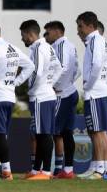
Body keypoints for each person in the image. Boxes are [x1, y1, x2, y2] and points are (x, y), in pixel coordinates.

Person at [0, 21, 34, 180]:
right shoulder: (13, 48)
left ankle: (7, 171)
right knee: (1, 134)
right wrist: (15, 82)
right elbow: (30, 66)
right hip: (10, 97)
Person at [20, 19, 62, 180]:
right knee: (41, 133)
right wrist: (50, 83)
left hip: (40, 97)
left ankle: (44, 171)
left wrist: (33, 89)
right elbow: (58, 67)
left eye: (23, 35)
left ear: (30, 34)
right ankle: (36, 169)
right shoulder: (48, 47)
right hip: (48, 95)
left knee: (43, 134)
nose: (22, 39)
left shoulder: (37, 48)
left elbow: (36, 72)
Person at [76, 15, 107, 180]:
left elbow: (97, 64)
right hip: (102, 91)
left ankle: (99, 170)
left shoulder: (94, 40)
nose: (79, 30)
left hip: (96, 93)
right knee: (101, 132)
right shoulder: (101, 40)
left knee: (98, 132)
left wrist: (89, 84)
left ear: (91, 26)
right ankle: (105, 170)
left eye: (80, 26)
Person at [43, 21, 80, 178]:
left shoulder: (59, 46)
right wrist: (68, 83)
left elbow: (63, 67)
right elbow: (77, 69)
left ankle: (45, 171)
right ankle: (67, 170)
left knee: (48, 131)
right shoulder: (71, 45)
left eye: (48, 32)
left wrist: (52, 85)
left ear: (57, 31)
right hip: (71, 92)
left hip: (61, 95)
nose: (46, 36)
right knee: (66, 133)